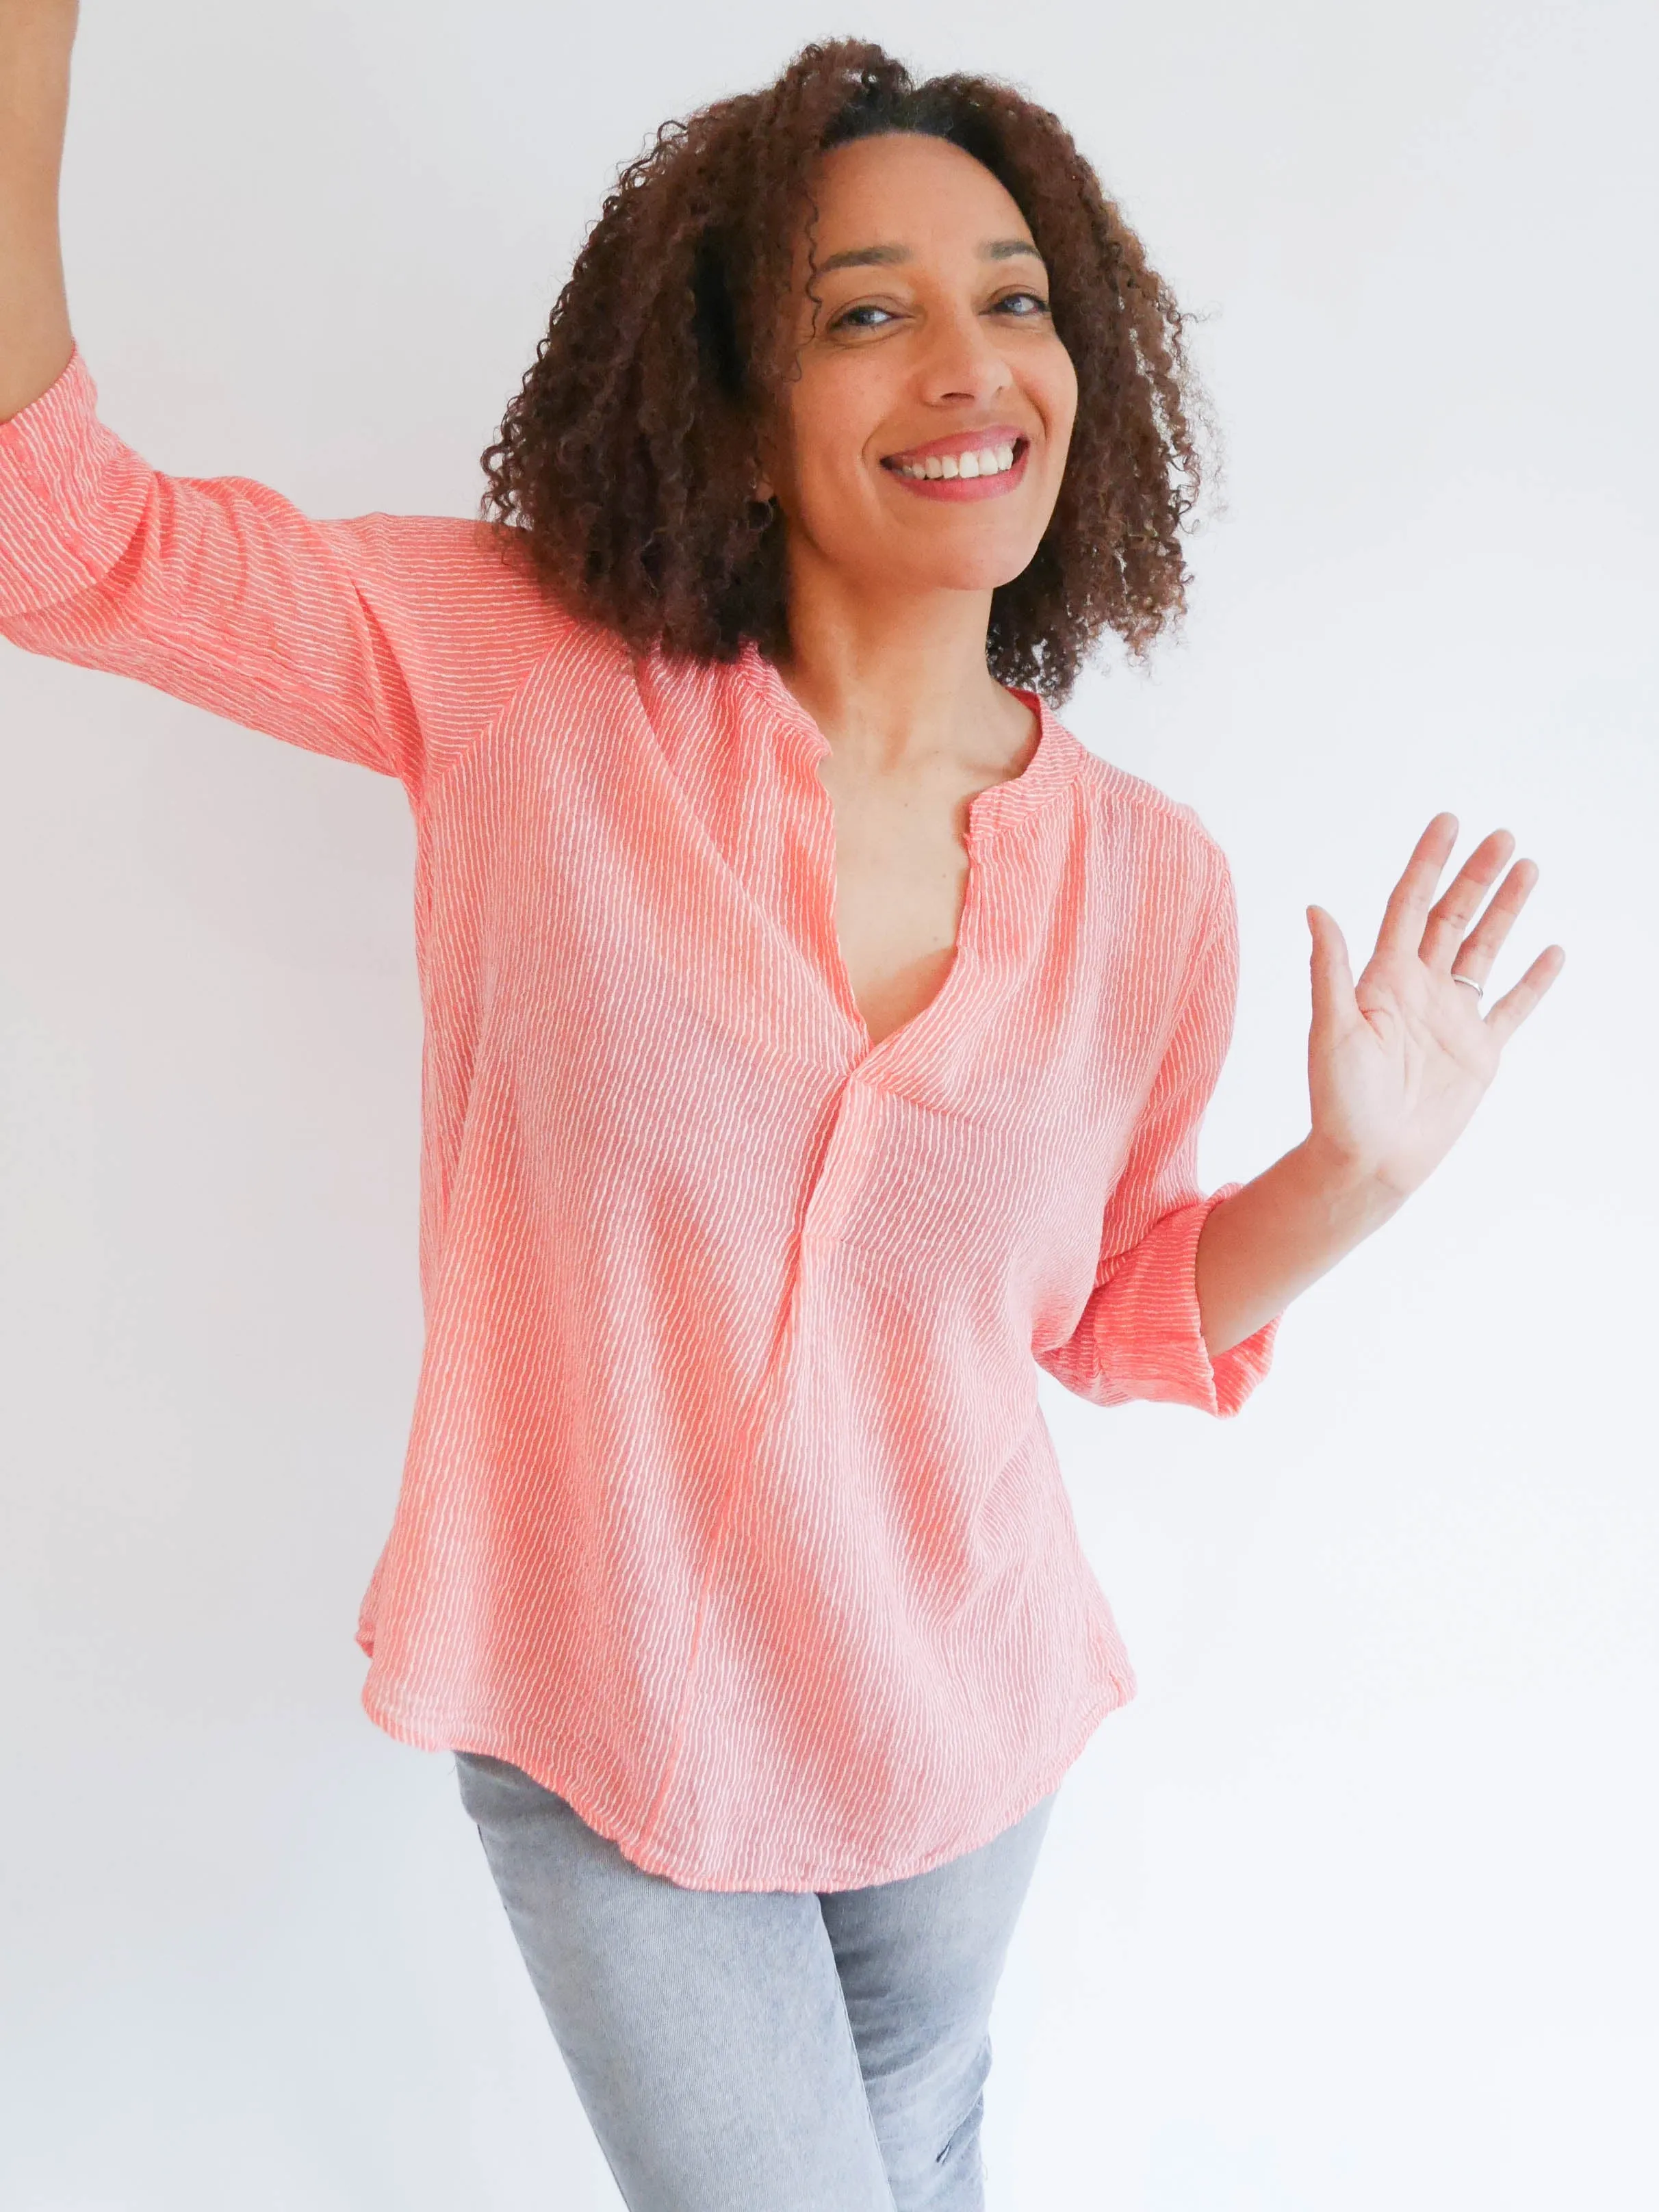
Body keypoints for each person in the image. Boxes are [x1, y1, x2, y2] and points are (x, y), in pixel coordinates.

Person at [0, 14, 1565, 2209]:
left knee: (920, 2174)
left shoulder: (1150, 891)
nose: (969, 360)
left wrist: (1354, 1176)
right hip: (605, 1714)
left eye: (1016, 298)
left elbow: (1114, 1312)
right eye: (865, 313)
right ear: (734, 417)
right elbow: (61, 540)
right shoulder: (530, 683)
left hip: (959, 1736)